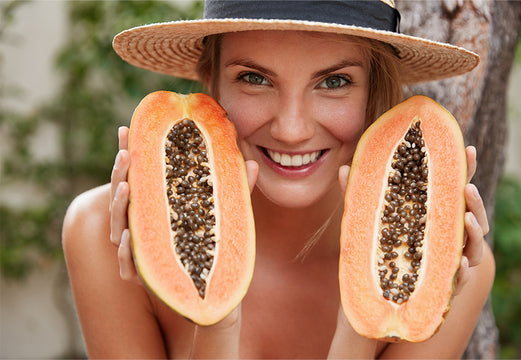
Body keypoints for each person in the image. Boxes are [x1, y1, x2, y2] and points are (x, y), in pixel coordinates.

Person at [62, 0, 495, 358]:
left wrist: (363, 319)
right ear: (209, 80)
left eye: (334, 81)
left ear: (373, 93)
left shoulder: (454, 270)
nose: (292, 129)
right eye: (255, 78)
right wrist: (216, 320)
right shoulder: (101, 232)